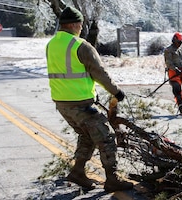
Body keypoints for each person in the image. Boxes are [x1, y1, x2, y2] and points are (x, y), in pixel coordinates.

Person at [46, 6, 133, 192]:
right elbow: (100, 73)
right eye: (81, 24)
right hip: (81, 104)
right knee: (107, 137)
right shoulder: (81, 46)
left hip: (62, 104)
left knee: (87, 136)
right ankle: (112, 179)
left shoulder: (51, 44)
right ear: (74, 24)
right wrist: (117, 92)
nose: (81, 27)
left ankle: (77, 172)